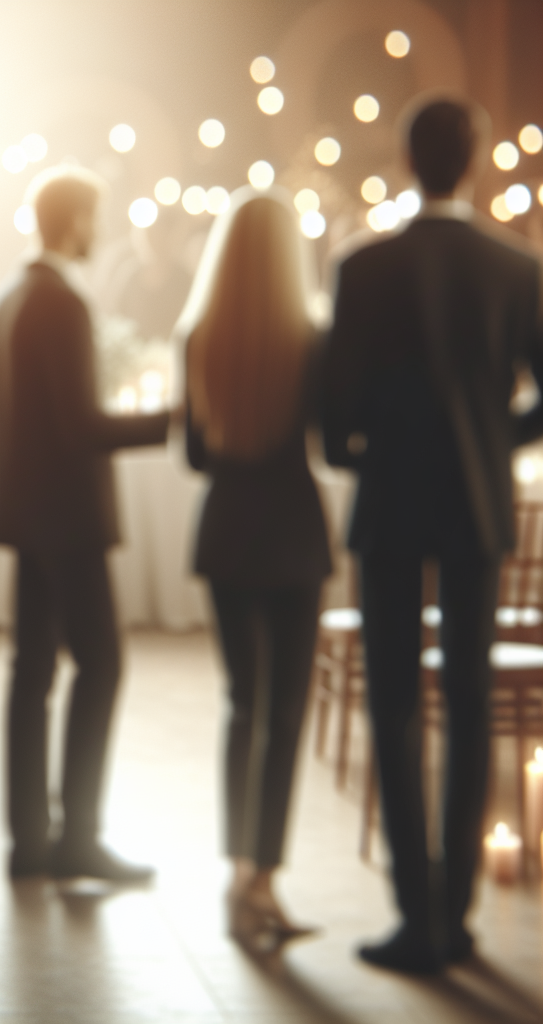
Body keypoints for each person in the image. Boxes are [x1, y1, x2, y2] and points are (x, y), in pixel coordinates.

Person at [323, 98, 543, 974]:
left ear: (408, 158)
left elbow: (334, 419)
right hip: (480, 505)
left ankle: (416, 915)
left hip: (389, 505)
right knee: (469, 703)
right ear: (477, 159)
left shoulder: (363, 265)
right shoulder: (518, 265)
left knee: (394, 702)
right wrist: (496, 443)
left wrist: (362, 448)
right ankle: (458, 915)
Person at [0, 166, 170, 881]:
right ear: (74, 220)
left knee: (31, 672)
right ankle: (78, 838)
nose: (103, 231)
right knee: (101, 665)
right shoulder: (60, 301)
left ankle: (29, 841)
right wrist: (174, 420)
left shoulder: (11, 295)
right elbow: (82, 426)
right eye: (97, 217)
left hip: (29, 511)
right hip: (67, 515)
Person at [180, 190, 330, 951]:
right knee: (288, 713)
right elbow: (331, 445)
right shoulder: (310, 337)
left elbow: (196, 455)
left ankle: (236, 874)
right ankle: (264, 879)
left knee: (243, 705)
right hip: (295, 533)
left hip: (227, 532)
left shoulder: (198, 335)